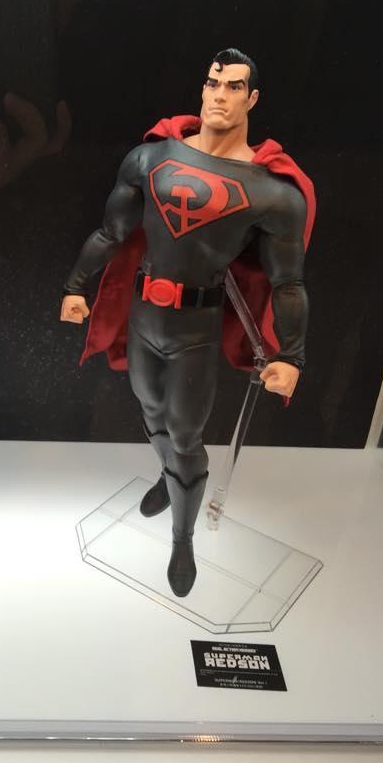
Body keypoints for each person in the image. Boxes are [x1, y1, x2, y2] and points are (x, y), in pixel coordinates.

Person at [61, 48, 315, 597]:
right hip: (144, 316)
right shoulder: (149, 159)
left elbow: (287, 283)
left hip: (195, 330)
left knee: (184, 434)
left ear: (252, 98)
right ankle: (169, 478)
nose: (220, 95)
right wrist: (75, 286)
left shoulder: (272, 194)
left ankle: (183, 538)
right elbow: (111, 233)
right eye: (213, 83)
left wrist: (291, 355)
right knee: (152, 416)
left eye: (234, 86)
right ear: (202, 88)